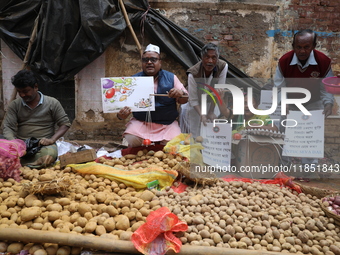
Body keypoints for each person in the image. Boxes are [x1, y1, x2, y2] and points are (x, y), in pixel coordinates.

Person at [274, 29, 334, 167]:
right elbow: (279, 86)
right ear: (293, 46)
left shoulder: (323, 62)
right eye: (298, 47)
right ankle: (283, 166)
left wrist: (328, 103)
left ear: (313, 46)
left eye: (306, 47)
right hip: (291, 102)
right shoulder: (284, 61)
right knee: (285, 134)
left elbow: (326, 86)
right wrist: (284, 102)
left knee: (311, 136)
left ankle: (309, 168)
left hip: (314, 102)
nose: (302, 51)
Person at [117, 44, 188, 147]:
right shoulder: (133, 81)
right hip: (142, 123)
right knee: (131, 138)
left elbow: (185, 99)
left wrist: (181, 94)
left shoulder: (171, 78)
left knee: (174, 145)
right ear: (142, 63)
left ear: (160, 62)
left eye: (153, 60)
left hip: (166, 125)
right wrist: (120, 115)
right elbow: (120, 109)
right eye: (145, 60)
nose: (149, 62)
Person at [3, 69, 71, 168]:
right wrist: (14, 143)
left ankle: (18, 164)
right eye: (19, 92)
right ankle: (28, 164)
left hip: (43, 145)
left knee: (49, 156)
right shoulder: (15, 105)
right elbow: (8, 127)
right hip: (21, 144)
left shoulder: (52, 103)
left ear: (35, 87)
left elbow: (65, 124)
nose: (22, 95)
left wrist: (51, 140)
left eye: (26, 91)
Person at [180, 42, 228, 138]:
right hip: (195, 105)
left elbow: (218, 91)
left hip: (211, 103)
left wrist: (210, 112)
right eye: (207, 57)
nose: (210, 61)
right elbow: (193, 99)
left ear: (217, 59)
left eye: (213, 58)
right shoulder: (193, 73)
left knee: (210, 133)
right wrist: (202, 114)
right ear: (202, 58)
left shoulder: (223, 67)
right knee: (193, 133)